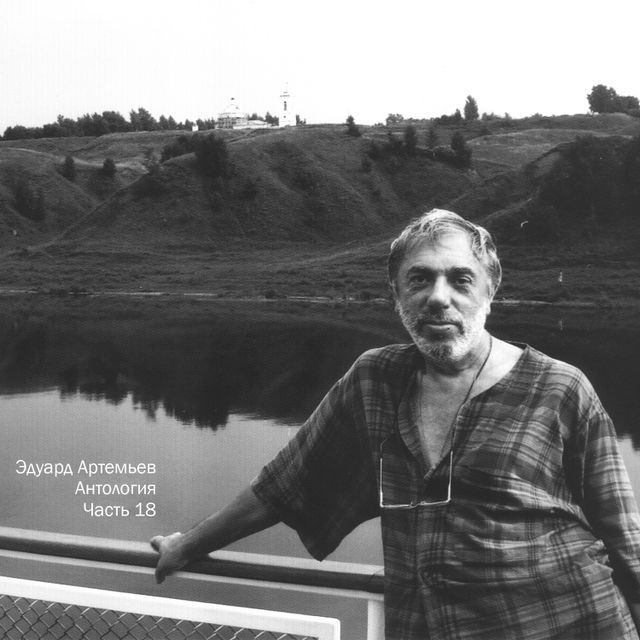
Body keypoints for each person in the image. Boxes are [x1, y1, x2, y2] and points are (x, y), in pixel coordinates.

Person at [151, 209, 640, 639]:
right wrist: (186, 545)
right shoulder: (375, 380)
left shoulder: (561, 387)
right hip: (424, 626)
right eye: (419, 279)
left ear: (491, 288)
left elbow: (623, 536)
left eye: (460, 280)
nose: (438, 298)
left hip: (568, 622)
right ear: (396, 293)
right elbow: (281, 485)